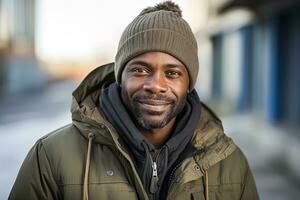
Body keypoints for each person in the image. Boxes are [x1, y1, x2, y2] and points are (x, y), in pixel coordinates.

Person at [9, 1, 259, 200]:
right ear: (120, 76)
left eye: (172, 73)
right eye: (140, 70)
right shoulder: (52, 157)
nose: (156, 86)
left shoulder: (228, 162)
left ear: (188, 84)